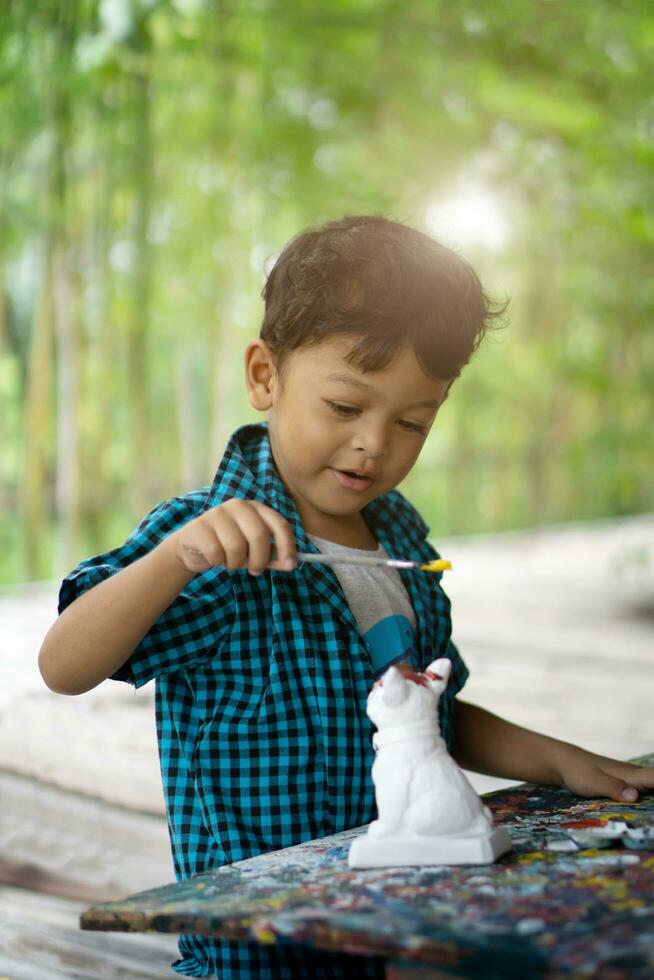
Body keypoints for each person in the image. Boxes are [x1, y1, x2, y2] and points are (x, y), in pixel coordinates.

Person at [39, 215, 654, 980]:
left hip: (380, 934)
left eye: (411, 422)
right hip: (253, 953)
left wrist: (565, 764)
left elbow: (431, 720)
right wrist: (176, 558)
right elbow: (64, 664)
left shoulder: (403, 541)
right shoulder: (209, 546)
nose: (374, 443)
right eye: (344, 407)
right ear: (266, 376)